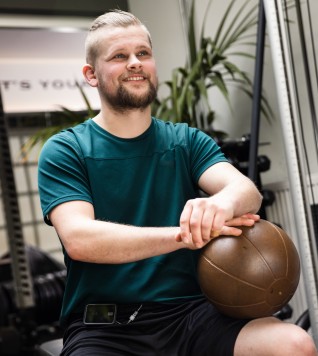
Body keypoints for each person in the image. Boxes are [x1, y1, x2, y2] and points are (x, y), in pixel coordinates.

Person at [38, 9, 317, 356]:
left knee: (294, 344)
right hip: (105, 327)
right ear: (91, 75)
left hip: (192, 314)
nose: (135, 63)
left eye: (143, 53)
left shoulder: (185, 141)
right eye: (120, 56)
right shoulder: (67, 149)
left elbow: (246, 192)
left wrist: (220, 205)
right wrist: (185, 235)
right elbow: (81, 239)